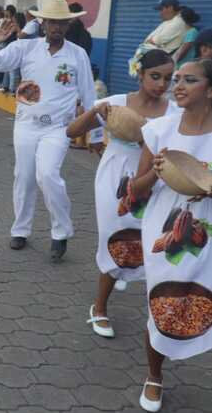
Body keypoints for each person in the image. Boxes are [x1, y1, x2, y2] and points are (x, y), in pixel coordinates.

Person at [67, 49, 179, 340]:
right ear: (139, 73)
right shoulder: (115, 104)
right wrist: (94, 111)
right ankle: (100, 307)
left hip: (157, 182)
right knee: (114, 239)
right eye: (155, 76)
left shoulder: (174, 112)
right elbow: (71, 131)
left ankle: (154, 311)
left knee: (150, 242)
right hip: (115, 178)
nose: (161, 84)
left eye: (167, 78)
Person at [128, 58, 212, 413]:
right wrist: (158, 173)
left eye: (188, 80)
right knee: (163, 302)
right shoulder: (159, 130)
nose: (177, 85)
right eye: (176, 79)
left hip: (208, 233)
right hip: (167, 233)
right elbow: (135, 189)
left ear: (209, 89)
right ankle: (154, 375)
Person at [0, 0, 96, 260]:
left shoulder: (77, 55)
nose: (57, 28)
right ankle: (20, 230)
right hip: (26, 124)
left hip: (58, 128)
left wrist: (97, 133)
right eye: (52, 22)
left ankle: (60, 233)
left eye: (62, 23)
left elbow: (90, 96)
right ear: (43, 23)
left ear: (68, 26)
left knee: (47, 175)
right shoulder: (25, 47)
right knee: (24, 177)